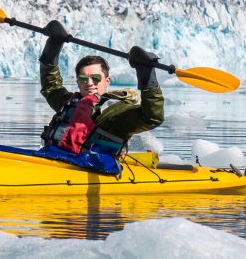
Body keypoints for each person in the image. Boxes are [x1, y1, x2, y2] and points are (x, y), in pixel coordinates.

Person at [37, 20, 163, 164]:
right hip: (55, 160)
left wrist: (147, 75)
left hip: (93, 169)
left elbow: (152, 117)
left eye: (96, 78)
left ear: (107, 81)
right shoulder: (69, 103)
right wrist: (53, 46)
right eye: (83, 78)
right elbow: (51, 86)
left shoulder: (117, 113)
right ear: (77, 81)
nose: (89, 83)